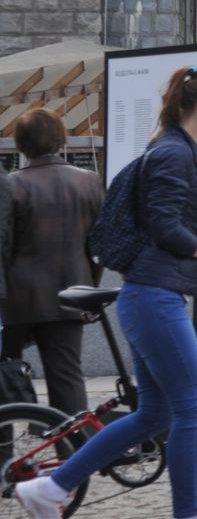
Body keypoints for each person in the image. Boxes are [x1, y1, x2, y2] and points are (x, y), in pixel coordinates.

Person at [14, 66, 197, 519]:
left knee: (154, 415)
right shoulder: (173, 153)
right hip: (155, 298)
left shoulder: (176, 149)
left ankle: (50, 487)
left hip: (149, 295)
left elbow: (187, 224)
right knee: (193, 405)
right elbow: (166, 228)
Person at [1, 108, 104, 419]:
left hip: (16, 300)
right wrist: (90, 291)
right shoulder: (90, 182)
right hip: (71, 294)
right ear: (61, 138)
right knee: (67, 378)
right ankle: (75, 459)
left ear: (21, 143)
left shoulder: (12, 184)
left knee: (5, 376)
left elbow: (2, 244)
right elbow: (98, 246)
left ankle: (5, 456)